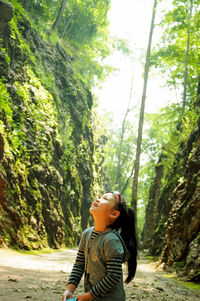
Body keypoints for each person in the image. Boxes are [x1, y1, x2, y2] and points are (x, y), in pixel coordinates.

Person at [62, 191, 138, 301]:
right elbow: (79, 264)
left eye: (105, 198)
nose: (98, 199)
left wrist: (88, 296)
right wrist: (69, 289)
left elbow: (113, 276)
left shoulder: (111, 240)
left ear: (114, 214)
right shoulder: (86, 234)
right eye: (100, 197)